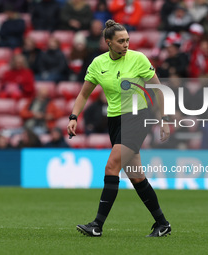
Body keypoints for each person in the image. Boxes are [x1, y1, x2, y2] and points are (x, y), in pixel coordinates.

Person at [67, 20, 171, 237]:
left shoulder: (138, 59)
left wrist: (163, 118)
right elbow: (84, 93)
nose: (126, 45)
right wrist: (74, 116)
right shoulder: (98, 64)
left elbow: (159, 88)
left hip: (137, 117)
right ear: (108, 43)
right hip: (114, 120)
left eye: (127, 40)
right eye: (121, 41)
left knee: (111, 166)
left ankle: (97, 225)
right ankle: (162, 223)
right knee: (136, 176)